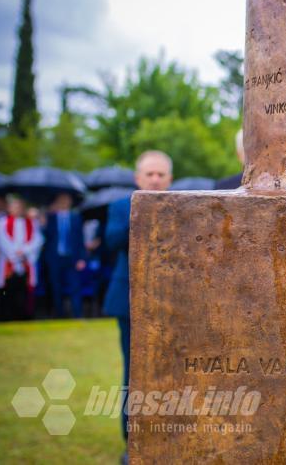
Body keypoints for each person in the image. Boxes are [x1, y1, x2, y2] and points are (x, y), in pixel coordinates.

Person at [103, 150, 172, 457]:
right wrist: (143, 212)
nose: (155, 180)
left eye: (161, 175)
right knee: (134, 372)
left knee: (170, 372)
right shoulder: (120, 207)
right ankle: (132, 442)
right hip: (128, 301)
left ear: (170, 179)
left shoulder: (182, 207)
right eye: (150, 174)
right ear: (138, 178)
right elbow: (112, 242)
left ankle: (166, 436)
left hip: (170, 302)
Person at [0, 196, 44, 320]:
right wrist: (14, 254)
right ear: (9, 208)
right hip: (9, 263)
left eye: (20, 206)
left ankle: (24, 316)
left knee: (24, 292)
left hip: (25, 263)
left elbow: (38, 240)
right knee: (7, 291)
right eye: (15, 206)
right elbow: (2, 241)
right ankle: (7, 316)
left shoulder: (31, 222)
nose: (18, 209)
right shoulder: (3, 223)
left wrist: (25, 252)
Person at [43, 193, 86, 318]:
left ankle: (77, 314)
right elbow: (46, 236)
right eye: (61, 200)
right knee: (55, 287)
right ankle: (59, 314)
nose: (64, 202)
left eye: (66, 200)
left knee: (75, 287)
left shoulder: (75, 217)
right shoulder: (50, 217)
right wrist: (44, 221)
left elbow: (80, 239)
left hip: (72, 258)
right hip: (54, 258)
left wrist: (81, 258)